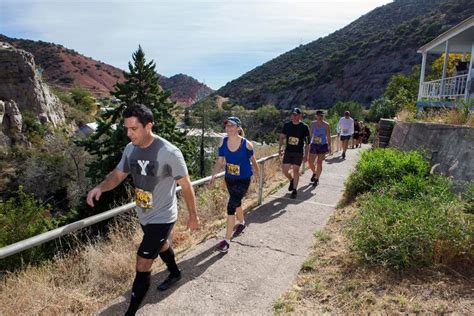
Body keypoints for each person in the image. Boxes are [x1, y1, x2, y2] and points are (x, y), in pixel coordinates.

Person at [86, 104, 199, 316]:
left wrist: (193, 215)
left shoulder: (169, 152)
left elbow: (186, 184)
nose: (129, 134)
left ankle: (130, 312)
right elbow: (118, 175)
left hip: (163, 216)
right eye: (126, 129)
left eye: (134, 129)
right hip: (144, 213)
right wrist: (100, 187)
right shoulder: (131, 149)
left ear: (148, 126)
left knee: (142, 261)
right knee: (162, 245)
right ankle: (175, 273)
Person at [209, 117, 259, 253]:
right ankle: (241, 223)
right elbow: (220, 162)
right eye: (227, 126)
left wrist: (257, 177)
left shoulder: (246, 144)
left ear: (238, 128)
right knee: (236, 203)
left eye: (232, 126)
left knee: (231, 206)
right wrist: (213, 175)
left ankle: (226, 240)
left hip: (243, 179)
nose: (229, 128)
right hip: (229, 179)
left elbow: (253, 162)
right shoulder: (223, 142)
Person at [279, 107, 310, 199]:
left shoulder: (304, 127)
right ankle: (291, 180)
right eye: (293, 114)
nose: (294, 116)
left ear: (300, 116)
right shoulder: (287, 125)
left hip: (298, 152)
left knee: (296, 170)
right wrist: (280, 148)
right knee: (285, 170)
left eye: (296, 115)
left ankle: (294, 190)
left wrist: (306, 155)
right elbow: (282, 137)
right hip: (288, 151)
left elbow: (307, 143)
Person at [308, 110, 331, 186]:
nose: (320, 117)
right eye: (318, 115)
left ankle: (317, 178)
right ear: (316, 116)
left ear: (323, 116)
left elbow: (328, 136)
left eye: (321, 115)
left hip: (322, 145)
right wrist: (308, 144)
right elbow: (310, 135)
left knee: (319, 163)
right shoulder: (313, 124)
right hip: (314, 144)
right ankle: (315, 173)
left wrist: (329, 146)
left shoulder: (326, 125)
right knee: (310, 162)